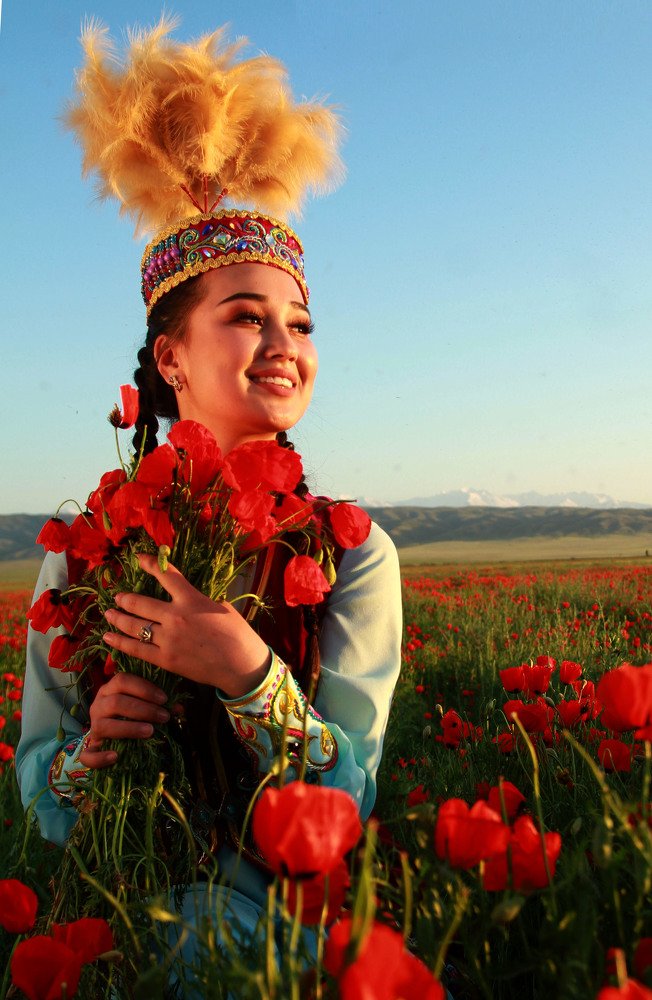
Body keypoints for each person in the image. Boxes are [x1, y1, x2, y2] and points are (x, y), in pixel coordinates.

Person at [15, 18, 402, 993]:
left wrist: (248, 675)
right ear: (171, 358)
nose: (285, 345)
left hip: (280, 944)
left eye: (300, 323)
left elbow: (347, 798)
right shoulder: (85, 551)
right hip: (112, 923)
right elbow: (40, 797)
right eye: (245, 317)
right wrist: (93, 747)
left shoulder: (353, 552)